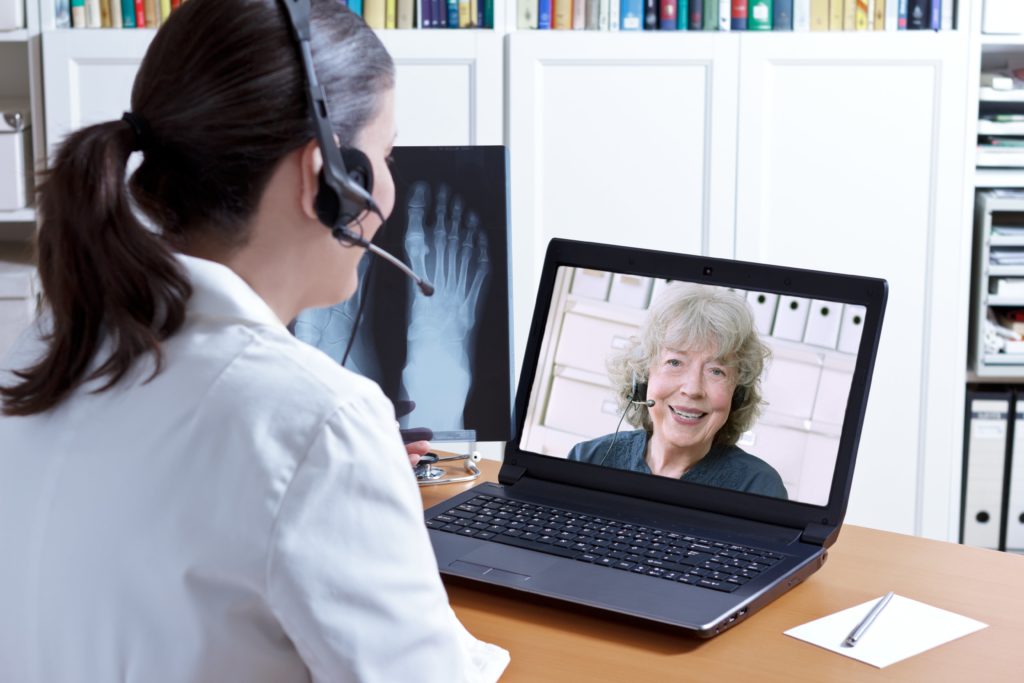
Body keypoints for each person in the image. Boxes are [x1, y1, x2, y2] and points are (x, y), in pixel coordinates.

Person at [0, 1, 508, 681]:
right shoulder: (318, 423)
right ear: (324, 180)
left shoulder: (43, 346)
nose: (389, 184)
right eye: (386, 155)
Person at [568, 282, 788, 499]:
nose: (693, 389)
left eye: (716, 371)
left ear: (737, 394)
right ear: (643, 377)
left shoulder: (759, 488)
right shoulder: (589, 459)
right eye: (675, 363)